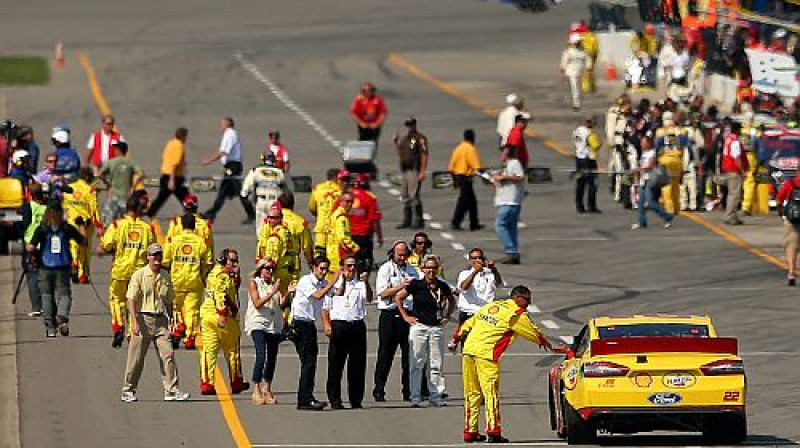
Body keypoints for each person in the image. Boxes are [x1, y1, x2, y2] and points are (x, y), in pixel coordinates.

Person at [453, 285, 562, 443]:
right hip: (487, 355)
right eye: (527, 299)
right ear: (518, 298)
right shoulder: (516, 313)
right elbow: (533, 332)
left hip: (469, 350)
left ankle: (470, 431)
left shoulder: (492, 306)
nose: (529, 303)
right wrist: (549, 345)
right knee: (491, 394)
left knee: (472, 393)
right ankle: (493, 431)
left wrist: (456, 338)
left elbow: (468, 324)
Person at [120, 243, 190, 403]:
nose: (157, 259)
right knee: (136, 358)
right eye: (153, 256)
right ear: (148, 257)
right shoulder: (139, 275)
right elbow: (131, 299)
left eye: (159, 256)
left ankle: (171, 390)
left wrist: (172, 319)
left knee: (168, 355)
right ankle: (128, 390)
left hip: (161, 320)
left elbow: (169, 300)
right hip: (143, 319)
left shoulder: (165, 275)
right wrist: (134, 321)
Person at [395, 254, 455, 407]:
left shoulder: (442, 285)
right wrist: (406, 317)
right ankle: (415, 396)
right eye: (428, 268)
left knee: (436, 363)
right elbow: (399, 298)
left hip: (435, 327)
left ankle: (436, 396)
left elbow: (452, 299)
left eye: (434, 268)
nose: (431, 271)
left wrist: (447, 316)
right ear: (423, 269)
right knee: (417, 363)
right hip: (419, 326)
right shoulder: (416, 284)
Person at [99, 192, 155, 348]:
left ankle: (118, 326)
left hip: (120, 270)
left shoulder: (117, 225)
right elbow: (153, 250)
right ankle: (133, 333)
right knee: (135, 303)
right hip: (138, 272)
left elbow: (106, 244)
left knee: (116, 300)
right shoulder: (147, 228)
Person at [26, 201, 86, 338]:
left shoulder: (42, 229)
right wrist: (81, 225)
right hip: (63, 267)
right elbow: (83, 242)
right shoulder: (67, 228)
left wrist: (31, 251)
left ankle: (50, 328)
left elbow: (31, 246)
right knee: (64, 295)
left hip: (45, 267)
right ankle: (62, 316)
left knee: (47, 296)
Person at [322, 254, 373, 409]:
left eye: (353, 266)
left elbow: (369, 298)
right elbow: (325, 306)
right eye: (348, 266)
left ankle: (356, 399)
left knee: (357, 365)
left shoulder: (360, 284)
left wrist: (367, 283)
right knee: (336, 364)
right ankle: (335, 399)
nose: (351, 269)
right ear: (342, 267)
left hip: (356, 325)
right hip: (339, 325)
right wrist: (326, 324)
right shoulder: (334, 284)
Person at [372, 241, 418, 402]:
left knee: (409, 355)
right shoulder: (385, 269)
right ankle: (379, 389)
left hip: (408, 313)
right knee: (385, 354)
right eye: (399, 254)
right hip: (390, 314)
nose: (402, 257)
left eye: (404, 254)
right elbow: (382, 293)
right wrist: (401, 287)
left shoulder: (412, 270)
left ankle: (408, 390)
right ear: (393, 253)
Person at [199, 248, 249, 395]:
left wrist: (236, 276)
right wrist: (222, 314)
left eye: (236, 261)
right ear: (223, 260)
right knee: (232, 351)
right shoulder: (223, 277)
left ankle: (207, 384)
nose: (235, 264)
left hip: (208, 316)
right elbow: (220, 294)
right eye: (232, 261)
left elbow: (230, 289)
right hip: (224, 318)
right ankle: (236, 382)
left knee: (209, 351)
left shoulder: (215, 273)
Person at [292, 256, 339, 410]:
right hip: (300, 323)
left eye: (326, 269)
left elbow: (336, 293)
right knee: (308, 362)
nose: (324, 272)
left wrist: (343, 278)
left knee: (310, 362)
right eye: (321, 269)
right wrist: (333, 281)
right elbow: (318, 295)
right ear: (313, 267)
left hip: (309, 324)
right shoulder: (306, 281)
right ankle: (304, 400)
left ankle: (308, 396)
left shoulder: (323, 283)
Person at [245, 260, 294, 405]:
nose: (270, 272)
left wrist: (289, 294)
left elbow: (281, 303)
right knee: (261, 354)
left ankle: (267, 388)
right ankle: (256, 389)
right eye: (267, 269)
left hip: (274, 324)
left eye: (272, 269)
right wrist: (271, 292)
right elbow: (257, 303)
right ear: (260, 270)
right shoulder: (255, 283)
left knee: (272, 356)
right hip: (258, 322)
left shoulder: (274, 285)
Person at [162, 214, 213, 349]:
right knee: (192, 310)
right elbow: (208, 262)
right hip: (194, 280)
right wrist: (203, 275)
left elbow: (166, 261)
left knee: (174, 307)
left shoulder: (174, 241)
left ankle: (178, 327)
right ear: (194, 225)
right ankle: (190, 338)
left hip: (177, 280)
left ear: (182, 225)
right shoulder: (200, 242)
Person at [202, 117, 256, 225]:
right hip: (229, 167)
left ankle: (252, 213)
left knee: (240, 192)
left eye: (222, 122)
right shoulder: (228, 134)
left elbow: (224, 152)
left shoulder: (230, 134)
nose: (220, 124)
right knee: (223, 192)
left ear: (227, 123)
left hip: (233, 167)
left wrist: (208, 160)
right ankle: (211, 214)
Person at [62, 167, 103, 284]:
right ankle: (82, 274)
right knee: (85, 248)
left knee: (72, 244)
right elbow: (94, 210)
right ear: (88, 177)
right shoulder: (90, 190)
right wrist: (99, 226)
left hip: (71, 221)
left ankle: (73, 261)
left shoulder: (69, 188)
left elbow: (63, 206)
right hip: (86, 223)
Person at [633, 137, 675, 230]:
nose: (641, 144)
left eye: (643, 143)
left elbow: (651, 166)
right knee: (641, 203)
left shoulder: (652, 153)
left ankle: (667, 216)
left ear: (648, 143)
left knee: (651, 202)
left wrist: (639, 169)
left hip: (651, 180)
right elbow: (643, 165)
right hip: (644, 180)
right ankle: (642, 222)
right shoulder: (644, 153)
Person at [493, 146, 526, 265]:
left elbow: (519, 176)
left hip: (510, 201)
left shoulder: (514, 163)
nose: (501, 155)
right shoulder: (506, 166)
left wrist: (503, 177)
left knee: (500, 225)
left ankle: (511, 251)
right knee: (511, 227)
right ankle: (513, 253)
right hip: (508, 200)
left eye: (502, 153)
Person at [394, 117, 429, 230]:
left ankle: (418, 220)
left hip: (414, 169)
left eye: (411, 125)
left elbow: (424, 154)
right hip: (405, 169)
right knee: (405, 195)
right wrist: (396, 142)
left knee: (413, 195)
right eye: (407, 125)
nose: (409, 127)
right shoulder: (405, 139)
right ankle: (407, 220)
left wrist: (422, 171)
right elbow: (400, 153)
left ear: (414, 125)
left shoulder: (420, 138)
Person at [147, 128, 189, 218]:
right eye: (185, 136)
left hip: (166, 175)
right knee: (185, 198)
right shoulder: (179, 146)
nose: (186, 139)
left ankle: (150, 213)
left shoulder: (171, 143)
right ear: (182, 136)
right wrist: (172, 180)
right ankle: (191, 214)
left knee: (161, 198)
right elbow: (174, 164)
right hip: (174, 177)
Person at [99, 140, 143, 225]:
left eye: (115, 149)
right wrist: (133, 187)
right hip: (126, 196)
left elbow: (100, 174)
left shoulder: (111, 162)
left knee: (109, 221)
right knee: (125, 220)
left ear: (118, 150)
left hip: (113, 195)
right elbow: (141, 174)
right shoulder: (130, 162)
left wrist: (107, 184)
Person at [241, 153, 286, 236]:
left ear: (264, 159)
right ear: (274, 160)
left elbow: (245, 189)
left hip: (261, 201)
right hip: (274, 203)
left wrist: (246, 198)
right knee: (275, 228)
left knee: (261, 230)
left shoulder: (256, 170)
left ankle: (261, 246)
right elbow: (286, 190)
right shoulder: (280, 172)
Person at [20, 183, 47, 317]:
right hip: (44, 244)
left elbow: (23, 222)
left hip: (31, 244)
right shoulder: (46, 207)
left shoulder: (28, 206)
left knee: (32, 275)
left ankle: (37, 307)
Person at [455, 248, 502, 326]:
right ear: (470, 260)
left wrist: (494, 269)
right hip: (468, 313)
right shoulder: (465, 273)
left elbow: (499, 284)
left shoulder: (490, 274)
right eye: (474, 258)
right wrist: (475, 271)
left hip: (485, 314)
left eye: (479, 258)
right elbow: (463, 288)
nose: (477, 260)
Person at [448, 129, 484, 231]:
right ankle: (456, 222)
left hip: (458, 176)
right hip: (465, 177)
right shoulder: (470, 149)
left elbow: (451, 167)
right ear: (472, 137)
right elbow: (476, 165)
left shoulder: (458, 148)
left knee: (471, 201)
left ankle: (474, 223)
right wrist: (483, 174)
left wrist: (454, 180)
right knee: (464, 201)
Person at [655, 111, 689, 214]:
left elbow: (657, 147)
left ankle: (669, 208)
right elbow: (686, 147)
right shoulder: (682, 131)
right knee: (675, 185)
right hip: (677, 161)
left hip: (665, 161)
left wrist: (655, 158)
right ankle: (676, 208)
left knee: (667, 186)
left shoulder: (660, 132)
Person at [256, 203, 293, 294]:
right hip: (286, 270)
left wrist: (261, 270)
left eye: (273, 218)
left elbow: (271, 261)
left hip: (277, 273)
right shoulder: (285, 231)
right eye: (269, 217)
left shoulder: (274, 237)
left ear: (280, 218)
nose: (269, 220)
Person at [308, 168, 346, 255]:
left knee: (319, 253)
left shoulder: (318, 188)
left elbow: (311, 207)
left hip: (321, 227)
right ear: (337, 178)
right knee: (333, 254)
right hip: (335, 227)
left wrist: (319, 215)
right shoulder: (341, 190)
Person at [349, 174, 382, 272]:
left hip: (347, 235)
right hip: (364, 235)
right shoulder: (369, 198)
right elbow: (374, 219)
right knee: (365, 263)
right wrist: (379, 236)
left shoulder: (343, 197)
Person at [278, 193, 314, 283]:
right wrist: (311, 262)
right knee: (291, 291)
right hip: (292, 264)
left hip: (276, 263)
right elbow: (306, 246)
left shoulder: (272, 219)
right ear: (293, 204)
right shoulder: (300, 222)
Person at [326, 191, 359, 277]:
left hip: (332, 253)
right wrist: (354, 247)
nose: (350, 204)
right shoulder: (341, 217)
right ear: (341, 201)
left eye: (351, 201)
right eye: (347, 201)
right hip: (338, 254)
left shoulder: (336, 214)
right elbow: (342, 238)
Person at [573, 119, 602, 214]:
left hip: (579, 159)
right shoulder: (590, 133)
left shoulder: (577, 130)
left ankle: (579, 206)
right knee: (592, 184)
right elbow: (595, 146)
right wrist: (599, 142)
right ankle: (591, 206)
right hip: (588, 160)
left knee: (580, 184)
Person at [720, 122, 746, 225]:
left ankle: (733, 216)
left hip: (729, 169)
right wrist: (742, 170)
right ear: (737, 130)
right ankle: (730, 216)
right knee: (735, 194)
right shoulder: (735, 141)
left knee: (732, 193)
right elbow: (736, 157)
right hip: (734, 170)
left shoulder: (728, 139)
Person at [560, 34, 590, 111]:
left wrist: (588, 68)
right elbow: (564, 60)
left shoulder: (584, 51)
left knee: (577, 88)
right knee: (574, 88)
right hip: (570, 72)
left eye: (579, 42)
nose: (578, 43)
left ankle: (576, 103)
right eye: (577, 42)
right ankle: (576, 104)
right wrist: (562, 68)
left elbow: (588, 60)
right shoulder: (569, 51)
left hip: (580, 72)